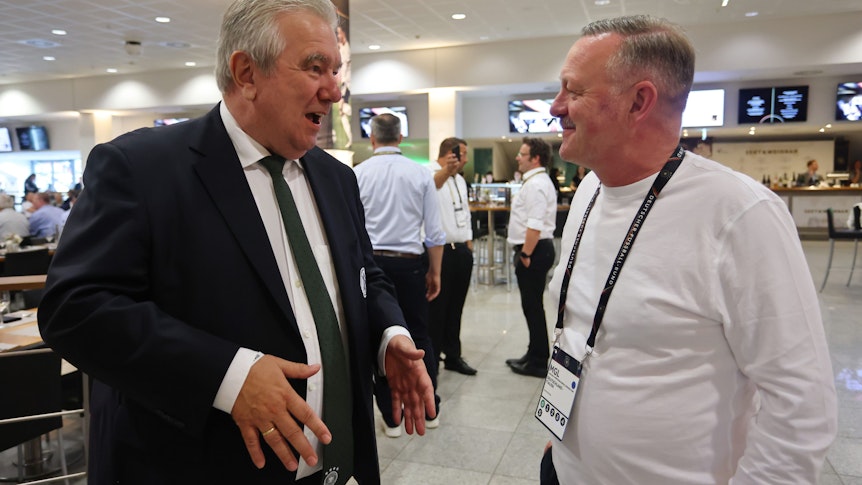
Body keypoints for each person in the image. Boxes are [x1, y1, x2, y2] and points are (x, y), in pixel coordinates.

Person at [38, 1, 435, 484]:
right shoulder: (142, 169)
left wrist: (389, 337)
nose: (334, 90)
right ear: (247, 72)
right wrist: (227, 374)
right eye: (315, 68)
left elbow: (361, 274)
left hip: (334, 467)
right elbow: (75, 309)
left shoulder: (335, 178)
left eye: (336, 70)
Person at [543, 15, 836, 484]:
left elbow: (801, 402)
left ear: (639, 101)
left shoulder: (740, 215)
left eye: (573, 92)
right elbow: (584, 327)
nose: (556, 107)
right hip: (563, 469)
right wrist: (565, 431)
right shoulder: (588, 193)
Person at [353, 113, 445, 438]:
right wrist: (435, 272)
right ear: (401, 137)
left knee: (378, 339)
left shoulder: (356, 174)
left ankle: (391, 419)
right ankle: (429, 408)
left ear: (372, 139)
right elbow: (434, 232)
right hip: (410, 263)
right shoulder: (420, 174)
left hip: (370, 266)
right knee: (419, 335)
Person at [505, 137, 557, 378]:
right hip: (535, 250)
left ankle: (538, 361)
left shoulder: (536, 184)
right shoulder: (535, 181)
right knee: (531, 306)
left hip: (534, 250)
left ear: (535, 158)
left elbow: (534, 224)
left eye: (522, 154)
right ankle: (533, 353)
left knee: (533, 307)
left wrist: (525, 253)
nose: (518, 157)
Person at [429, 137, 477, 376]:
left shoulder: (460, 180)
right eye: (462, 154)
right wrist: (446, 170)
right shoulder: (429, 173)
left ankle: (453, 355)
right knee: (437, 309)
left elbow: (465, 214)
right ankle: (433, 356)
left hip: (461, 251)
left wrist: (468, 244)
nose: (465, 159)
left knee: (456, 307)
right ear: (449, 153)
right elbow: (433, 186)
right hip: (441, 252)